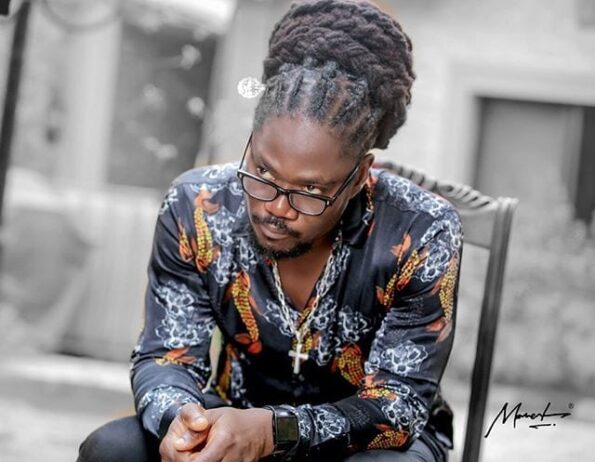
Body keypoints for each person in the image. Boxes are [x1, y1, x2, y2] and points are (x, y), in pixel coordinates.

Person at [78, 1, 462, 461]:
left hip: (366, 444)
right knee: (111, 450)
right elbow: (166, 356)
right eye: (262, 171)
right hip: (234, 416)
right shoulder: (196, 207)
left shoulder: (422, 232)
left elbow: (397, 408)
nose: (275, 208)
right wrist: (181, 419)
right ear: (251, 139)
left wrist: (275, 431)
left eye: (311, 190)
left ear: (360, 176)